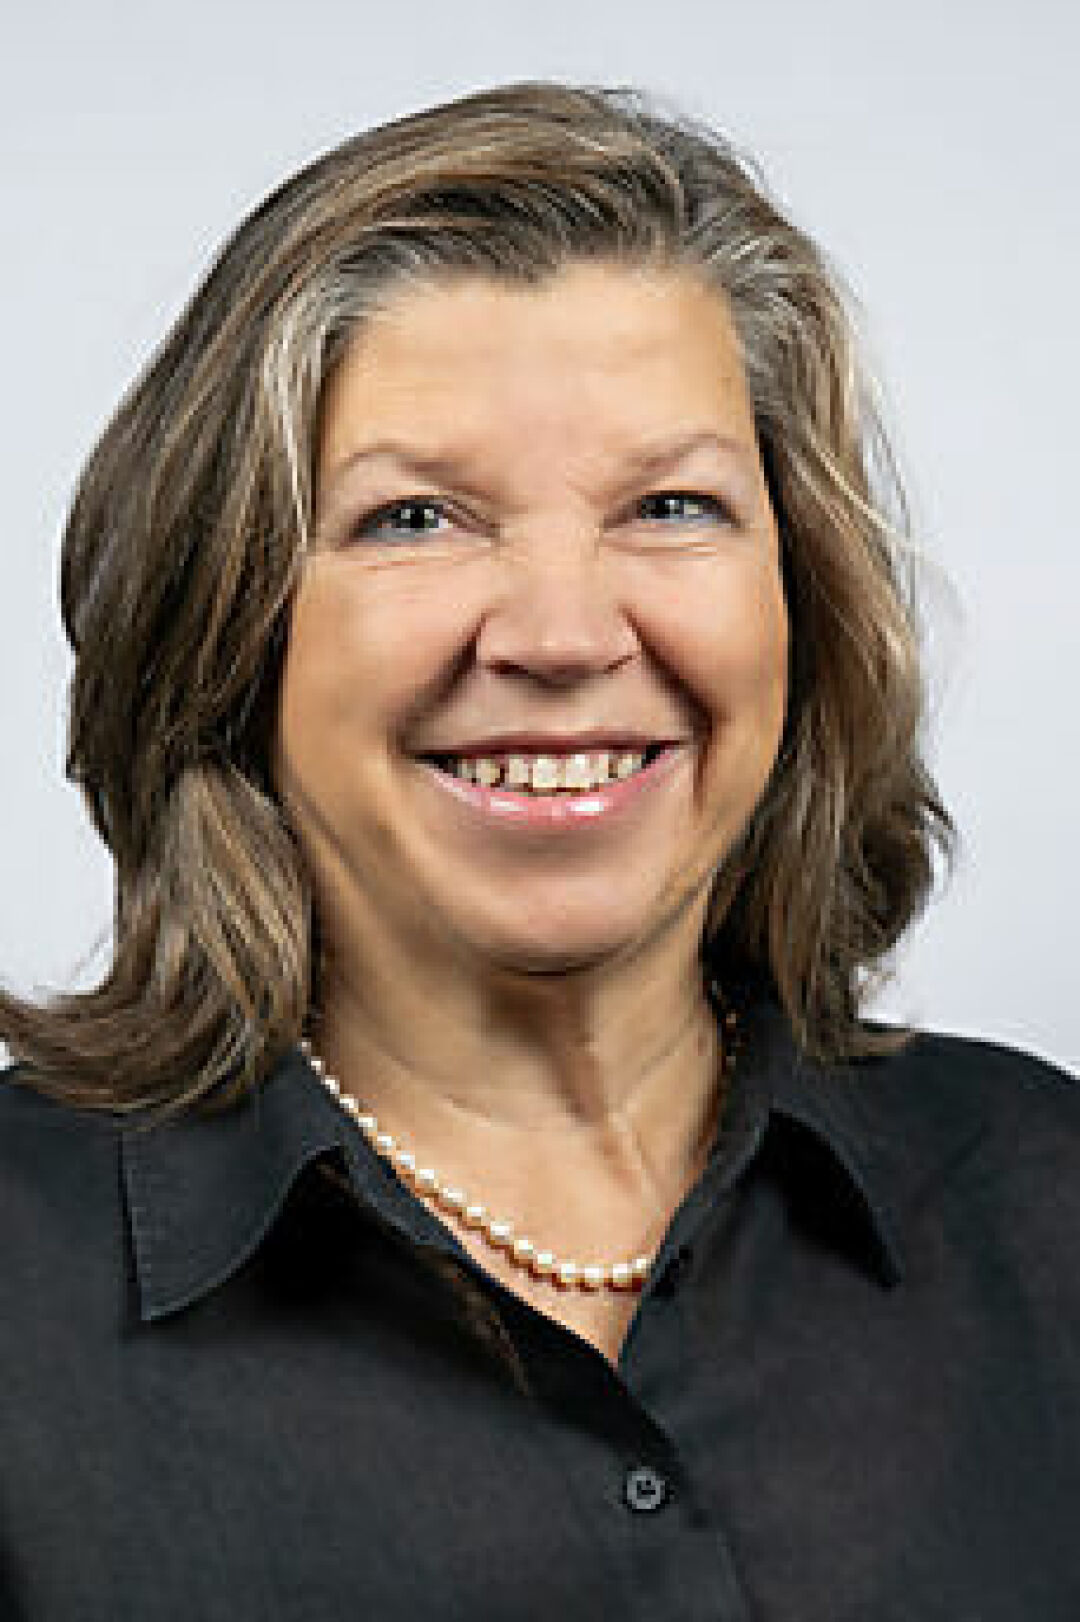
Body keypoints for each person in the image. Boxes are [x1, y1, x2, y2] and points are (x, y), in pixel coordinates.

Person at [1, 78, 1076, 1621]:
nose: (563, 635)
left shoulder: (1043, 1202)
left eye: (671, 504)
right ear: (233, 620)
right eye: (417, 518)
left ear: (803, 598)